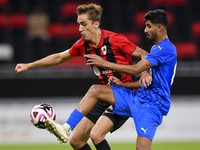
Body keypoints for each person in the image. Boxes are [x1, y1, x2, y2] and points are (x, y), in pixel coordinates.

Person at [15, 3, 151, 150]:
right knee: (76, 141)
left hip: (125, 94)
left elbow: (144, 54)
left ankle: (66, 127)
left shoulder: (114, 39)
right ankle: (67, 129)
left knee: (96, 135)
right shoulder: (83, 44)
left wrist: (143, 72)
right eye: (79, 24)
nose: (80, 28)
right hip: (104, 94)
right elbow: (59, 57)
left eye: (84, 24)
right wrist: (29, 65)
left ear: (96, 24)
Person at [44, 9, 177, 150]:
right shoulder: (156, 48)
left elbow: (135, 69)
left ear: (160, 28)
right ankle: (66, 127)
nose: (145, 30)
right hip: (138, 96)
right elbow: (145, 83)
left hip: (153, 105)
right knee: (95, 92)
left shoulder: (166, 49)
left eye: (149, 26)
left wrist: (104, 63)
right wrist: (123, 84)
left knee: (142, 148)